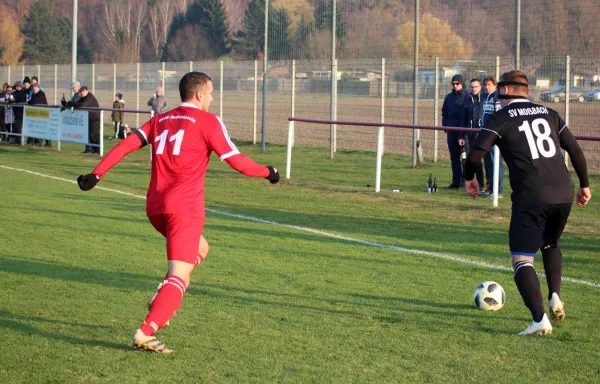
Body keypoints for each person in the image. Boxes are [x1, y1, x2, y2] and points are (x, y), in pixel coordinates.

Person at [76, 71, 280, 353]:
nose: (211, 98)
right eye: (210, 93)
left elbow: (125, 145)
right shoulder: (208, 121)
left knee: (202, 248)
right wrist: (269, 172)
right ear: (199, 95)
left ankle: (163, 293)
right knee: (180, 275)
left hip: (156, 208)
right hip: (184, 209)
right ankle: (146, 331)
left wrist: (97, 175)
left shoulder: (160, 120)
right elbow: (238, 162)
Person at [464, 70, 592, 336]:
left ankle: (539, 320)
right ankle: (555, 295)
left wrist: (470, 178)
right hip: (563, 192)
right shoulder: (550, 113)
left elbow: (476, 153)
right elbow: (576, 150)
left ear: (507, 90)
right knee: (550, 242)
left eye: (500, 88)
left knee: (522, 259)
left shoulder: (500, 117)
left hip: (532, 195)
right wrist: (585, 184)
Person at [442, 74, 469, 188]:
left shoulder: (468, 97)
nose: (455, 86)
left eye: (457, 83)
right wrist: (445, 124)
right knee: (454, 157)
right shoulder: (448, 97)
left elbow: (468, 115)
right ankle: (456, 181)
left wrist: (463, 133)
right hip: (451, 131)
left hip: (463, 132)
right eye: (453, 84)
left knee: (465, 157)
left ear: (462, 84)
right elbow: (444, 112)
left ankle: (466, 181)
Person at [480, 76, 504, 198]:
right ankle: (489, 188)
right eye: (485, 85)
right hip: (485, 134)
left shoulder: (497, 97)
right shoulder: (485, 97)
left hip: (493, 135)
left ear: (495, 85)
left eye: (489, 84)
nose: (486, 87)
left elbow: (498, 116)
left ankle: (498, 190)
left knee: (497, 162)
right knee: (488, 162)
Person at [459, 78, 485, 190]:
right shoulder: (467, 100)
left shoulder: (485, 99)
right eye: (472, 87)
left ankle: (488, 185)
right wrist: (461, 136)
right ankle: (476, 184)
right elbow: (463, 119)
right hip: (471, 135)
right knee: (473, 160)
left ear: (481, 87)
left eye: (476, 86)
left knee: (487, 162)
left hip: (484, 135)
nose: (474, 89)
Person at [65, 86, 100, 154]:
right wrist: (69, 103)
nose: (82, 93)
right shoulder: (84, 98)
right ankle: (90, 149)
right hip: (89, 118)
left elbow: (81, 105)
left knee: (94, 135)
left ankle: (97, 150)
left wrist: (72, 104)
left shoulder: (89, 97)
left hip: (95, 118)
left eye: (83, 91)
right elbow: (77, 103)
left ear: (86, 91)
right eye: (81, 92)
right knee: (88, 135)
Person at [28, 82, 51, 147]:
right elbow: (31, 101)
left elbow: (35, 101)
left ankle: (47, 143)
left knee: (44, 128)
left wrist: (30, 101)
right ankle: (38, 142)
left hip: (44, 113)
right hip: (38, 114)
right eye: (33, 87)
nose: (34, 89)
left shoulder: (41, 93)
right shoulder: (33, 94)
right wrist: (30, 101)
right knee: (38, 127)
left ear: (38, 88)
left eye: (35, 87)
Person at [9, 81, 27, 145]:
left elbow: (23, 101)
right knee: (16, 126)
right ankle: (17, 140)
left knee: (18, 126)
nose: (18, 87)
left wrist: (15, 100)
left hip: (22, 112)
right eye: (17, 86)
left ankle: (19, 140)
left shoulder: (24, 93)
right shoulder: (13, 93)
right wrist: (11, 100)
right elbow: (10, 101)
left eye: (19, 86)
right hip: (15, 112)